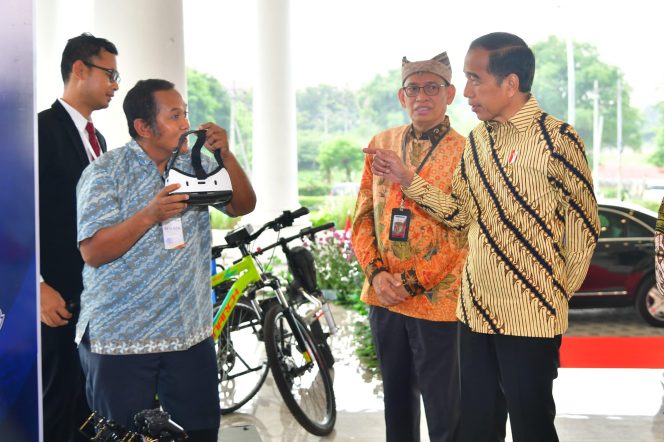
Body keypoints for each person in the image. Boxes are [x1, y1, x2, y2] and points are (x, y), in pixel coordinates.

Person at [366, 32, 600, 442]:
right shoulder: (478, 140)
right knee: (476, 428)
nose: (468, 92)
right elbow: (460, 215)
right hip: (473, 313)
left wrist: (552, 295)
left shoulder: (556, 140)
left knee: (531, 427)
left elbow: (584, 229)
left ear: (510, 83)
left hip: (531, 316)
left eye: (475, 80)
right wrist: (408, 180)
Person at [75, 79, 256, 441]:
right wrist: (150, 214)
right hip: (123, 338)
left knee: (199, 432)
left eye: (185, 114)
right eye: (175, 116)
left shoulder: (197, 164)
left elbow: (242, 205)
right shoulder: (106, 172)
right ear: (144, 127)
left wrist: (226, 156)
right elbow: (93, 251)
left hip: (188, 335)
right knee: (121, 435)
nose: (186, 124)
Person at [351, 52, 467, 442]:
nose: (422, 96)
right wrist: (377, 273)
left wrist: (413, 282)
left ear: (449, 94)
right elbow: (363, 215)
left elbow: (463, 232)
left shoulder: (466, 152)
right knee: (396, 403)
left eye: (432, 87)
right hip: (385, 297)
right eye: (413, 88)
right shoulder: (381, 144)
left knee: (444, 407)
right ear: (402, 97)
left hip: (438, 301)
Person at [38, 32, 119, 442]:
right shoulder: (40, 131)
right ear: (79, 70)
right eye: (110, 73)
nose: (116, 85)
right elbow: (10, 214)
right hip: (54, 301)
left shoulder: (98, 140)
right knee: (55, 406)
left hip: (94, 302)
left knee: (87, 408)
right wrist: (35, 286)